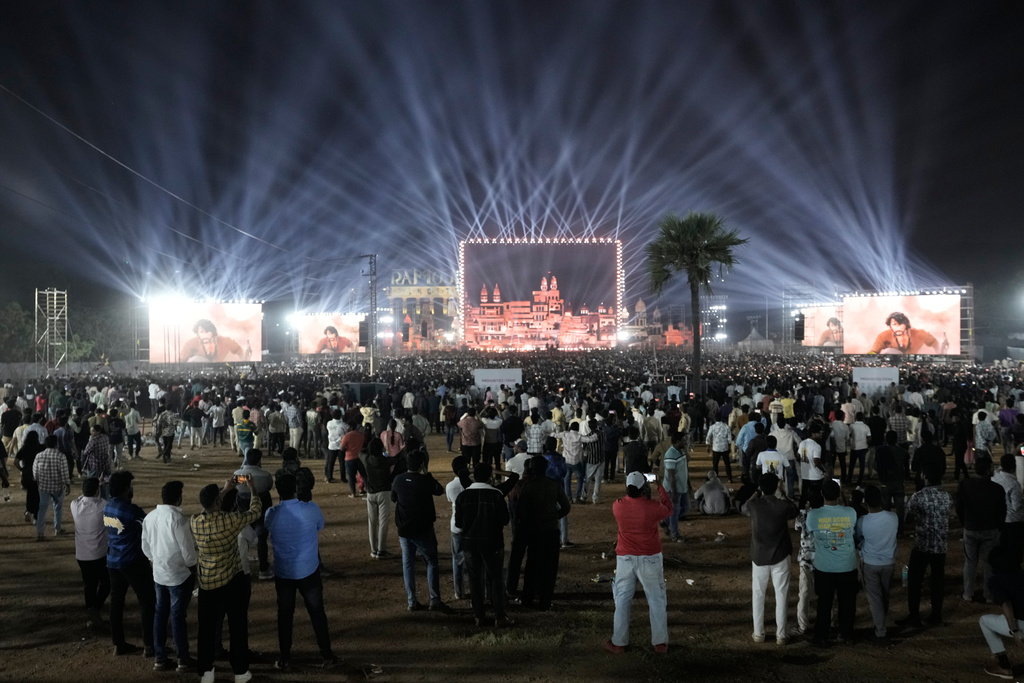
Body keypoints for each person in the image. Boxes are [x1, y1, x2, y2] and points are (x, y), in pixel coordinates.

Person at [264, 472, 339, 671]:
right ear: (296, 489)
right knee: (317, 612)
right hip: (308, 570)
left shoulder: (272, 513)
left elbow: (266, 526)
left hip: (284, 572)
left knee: (285, 615)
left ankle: (285, 658)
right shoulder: (311, 509)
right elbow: (320, 526)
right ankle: (327, 655)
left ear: (278, 491)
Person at [191, 476, 262, 683]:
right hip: (232, 582)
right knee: (237, 627)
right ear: (217, 502)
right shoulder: (230, 521)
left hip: (207, 584)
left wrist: (223, 490)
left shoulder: (195, 522)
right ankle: (240, 671)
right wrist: (252, 488)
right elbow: (255, 511)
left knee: (206, 629)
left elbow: (207, 509)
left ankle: (206, 672)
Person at [604, 471, 672, 655]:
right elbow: (668, 508)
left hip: (625, 558)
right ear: (644, 488)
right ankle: (660, 642)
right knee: (656, 599)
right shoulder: (652, 507)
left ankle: (619, 642)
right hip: (650, 557)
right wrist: (659, 485)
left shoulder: (618, 506)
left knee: (622, 600)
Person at [142, 480, 197, 673]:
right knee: (177, 616)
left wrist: (156, 560)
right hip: (179, 575)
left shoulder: (150, 517)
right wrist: (194, 570)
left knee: (160, 614)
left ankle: (160, 658)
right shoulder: (179, 520)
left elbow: (145, 547)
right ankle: (183, 659)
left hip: (159, 574)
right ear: (178, 498)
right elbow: (189, 554)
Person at [104, 471, 156, 657]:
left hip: (113, 560)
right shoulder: (132, 511)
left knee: (116, 603)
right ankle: (149, 645)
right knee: (148, 601)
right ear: (126, 489)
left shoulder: (107, 507)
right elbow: (149, 526)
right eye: (130, 485)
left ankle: (118, 644)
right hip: (133, 560)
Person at [741, 472, 797, 645]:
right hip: (781, 555)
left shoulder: (754, 505)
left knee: (758, 594)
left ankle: (759, 633)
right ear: (776, 487)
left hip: (759, 555)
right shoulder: (782, 506)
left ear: (761, 487)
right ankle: (781, 635)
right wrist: (782, 492)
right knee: (782, 594)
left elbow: (743, 507)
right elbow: (794, 509)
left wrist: (757, 491)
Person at [456, 462, 513, 627]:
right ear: (490, 477)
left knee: (474, 579)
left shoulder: (463, 496)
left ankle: (479, 616)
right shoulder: (496, 495)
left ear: (474, 476)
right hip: (492, 542)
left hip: (470, 543)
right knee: (495, 578)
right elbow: (505, 520)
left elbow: (459, 523)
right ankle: (499, 616)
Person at [391, 449, 447, 611]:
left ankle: (411, 601)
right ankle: (434, 599)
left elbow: (394, 498)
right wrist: (428, 474)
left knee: (408, 564)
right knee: (431, 561)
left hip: (404, 528)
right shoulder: (425, 480)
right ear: (422, 464)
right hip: (423, 528)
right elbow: (439, 490)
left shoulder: (398, 479)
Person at [806, 479, 858, 646]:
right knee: (847, 602)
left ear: (822, 494)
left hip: (824, 567)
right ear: (839, 494)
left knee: (824, 603)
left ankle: (821, 636)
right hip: (847, 566)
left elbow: (810, 532)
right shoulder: (851, 512)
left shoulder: (813, 515)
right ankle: (846, 634)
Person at [901, 464, 952, 627]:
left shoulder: (918, 497)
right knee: (937, 581)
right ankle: (936, 615)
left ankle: (914, 616)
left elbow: (907, 520)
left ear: (925, 477)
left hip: (922, 545)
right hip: (940, 545)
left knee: (915, 581)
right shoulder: (947, 496)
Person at [958, 457, 1007, 603]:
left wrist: (965, 523)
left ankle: (968, 593)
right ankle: (989, 595)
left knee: (970, 562)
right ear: (987, 470)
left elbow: (959, 507)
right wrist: (999, 527)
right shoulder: (997, 489)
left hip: (971, 528)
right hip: (990, 529)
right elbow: (1002, 512)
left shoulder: (965, 485)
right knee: (989, 564)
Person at [855, 485, 898, 642]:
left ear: (865, 502)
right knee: (884, 594)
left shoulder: (863, 521)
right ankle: (881, 623)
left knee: (875, 598)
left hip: (870, 563)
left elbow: (858, 538)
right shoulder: (893, 517)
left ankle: (880, 630)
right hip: (889, 563)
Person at [976, 545, 1024, 679]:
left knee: (984, 621)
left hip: (1021, 625)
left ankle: (1004, 666)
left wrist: (1015, 631)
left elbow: (1006, 604)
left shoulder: (996, 580)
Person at [71, 477, 110, 630]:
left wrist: (92, 488)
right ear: (97, 491)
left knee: (89, 585)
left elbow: (81, 497)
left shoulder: (74, 505)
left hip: (82, 554)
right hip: (99, 554)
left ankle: (91, 612)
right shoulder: (102, 506)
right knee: (107, 583)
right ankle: (95, 609)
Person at [233, 449, 275, 580]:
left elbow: (236, 487)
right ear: (259, 461)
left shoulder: (237, 475)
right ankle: (263, 569)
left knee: (242, 539)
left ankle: (244, 569)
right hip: (260, 512)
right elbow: (268, 487)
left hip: (243, 513)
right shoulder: (265, 475)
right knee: (262, 539)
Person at [365, 438, 400, 559]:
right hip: (384, 492)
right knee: (383, 522)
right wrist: (386, 451)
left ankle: (373, 549)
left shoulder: (367, 459)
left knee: (372, 522)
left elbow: (360, 452)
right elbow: (396, 458)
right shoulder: (386, 461)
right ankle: (381, 550)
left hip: (370, 493)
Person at [32, 434, 70, 540]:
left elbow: (35, 472)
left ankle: (40, 533)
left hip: (43, 487)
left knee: (42, 509)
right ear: (56, 444)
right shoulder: (61, 456)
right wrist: (67, 484)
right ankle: (57, 529)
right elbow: (64, 472)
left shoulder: (39, 455)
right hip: (57, 487)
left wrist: (38, 481)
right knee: (58, 507)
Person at [994, 454, 1024, 564]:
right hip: (1013, 521)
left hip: (999, 519)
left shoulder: (996, 477)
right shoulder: (1014, 484)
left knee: (1003, 548)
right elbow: (1017, 506)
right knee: (1015, 551)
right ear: (1014, 467)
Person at [868, 311, 941, 354]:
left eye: (901, 324)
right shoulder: (883, 336)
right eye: (894, 324)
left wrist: (941, 355)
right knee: (888, 351)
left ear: (906, 325)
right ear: (890, 325)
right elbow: (874, 352)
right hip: (892, 365)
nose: (898, 327)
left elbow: (935, 343)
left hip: (913, 364)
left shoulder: (919, 334)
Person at [180, 319, 246, 362]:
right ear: (197, 333)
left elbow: (238, 349)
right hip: (199, 371)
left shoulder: (224, 341)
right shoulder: (191, 343)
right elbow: (181, 360)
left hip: (218, 369)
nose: (205, 334)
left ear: (212, 332)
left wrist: (245, 360)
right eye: (201, 332)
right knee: (195, 359)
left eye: (207, 331)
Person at [706, 413, 733, 482]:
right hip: (725, 447)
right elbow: (729, 439)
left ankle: (715, 478)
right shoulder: (726, 426)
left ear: (715, 419)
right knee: (727, 464)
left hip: (716, 448)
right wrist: (729, 447)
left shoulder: (712, 427)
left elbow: (708, 437)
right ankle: (729, 478)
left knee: (715, 464)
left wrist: (708, 447)